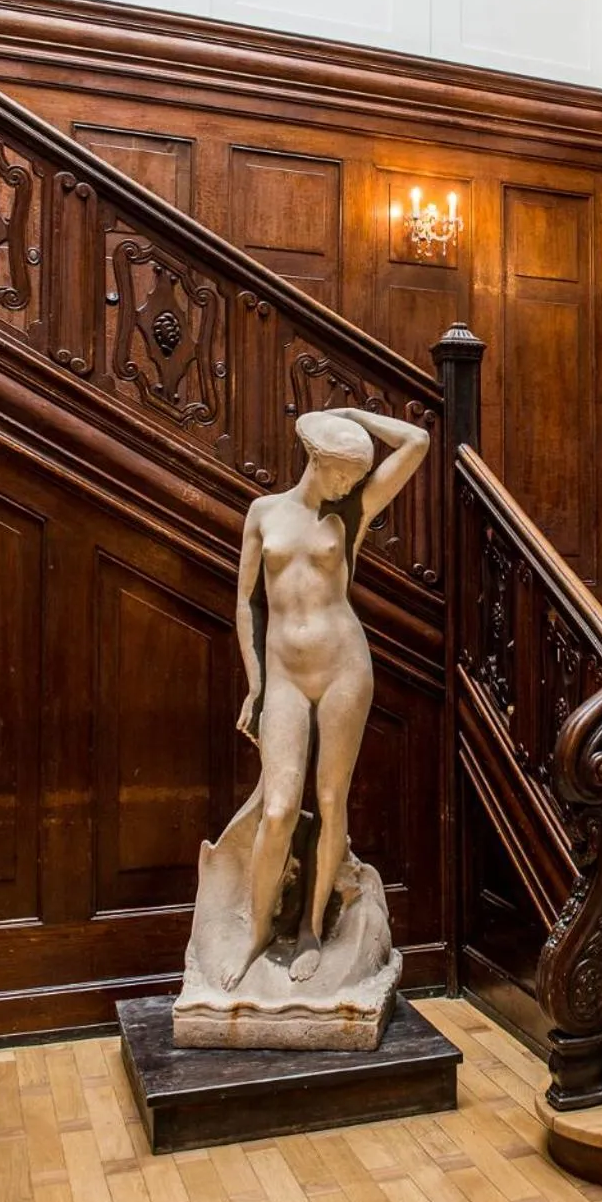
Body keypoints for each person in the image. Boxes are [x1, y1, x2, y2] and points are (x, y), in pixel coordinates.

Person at [220, 403, 429, 991]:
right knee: (280, 807)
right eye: (344, 474)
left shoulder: (350, 513)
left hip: (344, 668)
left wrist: (350, 412)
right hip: (284, 674)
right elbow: (247, 602)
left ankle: (311, 929)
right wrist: (256, 683)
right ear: (317, 461)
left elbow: (416, 441)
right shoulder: (264, 512)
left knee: (332, 800)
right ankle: (258, 929)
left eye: (357, 477)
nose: (350, 485)